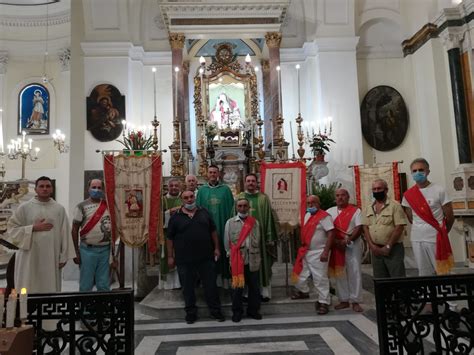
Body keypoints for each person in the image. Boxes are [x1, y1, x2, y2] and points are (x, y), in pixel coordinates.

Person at [7, 176, 75, 293]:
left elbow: (65, 233)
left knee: (49, 287)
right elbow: (12, 229)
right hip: (29, 256)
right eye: (41, 186)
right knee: (28, 285)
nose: (45, 189)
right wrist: (33, 228)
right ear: (36, 189)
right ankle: (26, 309)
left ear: (52, 189)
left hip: (51, 256)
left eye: (48, 186)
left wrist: (64, 256)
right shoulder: (24, 207)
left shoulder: (59, 209)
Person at [167, 190, 225, 324]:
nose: (189, 199)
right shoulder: (175, 217)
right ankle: (191, 313)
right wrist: (170, 256)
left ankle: (215, 311)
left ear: (195, 197)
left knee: (211, 285)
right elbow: (169, 238)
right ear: (182, 200)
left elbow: (213, 231)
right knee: (187, 287)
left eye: (191, 197)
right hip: (184, 259)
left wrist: (216, 248)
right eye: (186, 198)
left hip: (206, 257)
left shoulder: (204, 212)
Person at [402, 158, 455, 275]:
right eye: (414, 171)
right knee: (423, 271)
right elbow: (410, 216)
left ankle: (443, 293)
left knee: (442, 271)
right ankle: (426, 294)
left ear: (428, 171)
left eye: (421, 170)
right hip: (417, 237)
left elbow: (450, 217)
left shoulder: (439, 190)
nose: (417, 173)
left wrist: (443, 231)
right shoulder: (408, 195)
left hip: (435, 237)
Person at [291, 195, 335, 315]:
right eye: (309, 203)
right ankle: (303, 291)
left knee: (320, 278)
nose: (311, 205)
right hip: (306, 251)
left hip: (319, 251)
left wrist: (326, 251)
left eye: (313, 202)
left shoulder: (324, 216)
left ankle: (324, 302)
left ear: (319, 203)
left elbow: (331, 233)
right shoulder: (307, 215)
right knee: (300, 274)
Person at [237, 174, 278, 301]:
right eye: (248, 181)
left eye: (253, 181)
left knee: (262, 266)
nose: (250, 183)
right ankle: (246, 293)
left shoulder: (263, 199)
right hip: (243, 240)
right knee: (245, 266)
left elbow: (269, 218)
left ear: (256, 183)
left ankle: (263, 292)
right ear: (244, 182)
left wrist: (269, 237)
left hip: (260, 241)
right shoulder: (239, 198)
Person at [224, 198, 262, 322]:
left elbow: (258, 239)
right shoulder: (230, 222)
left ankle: (253, 310)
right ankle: (237, 312)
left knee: (254, 288)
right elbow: (226, 242)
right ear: (236, 207)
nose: (242, 208)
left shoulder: (255, 223)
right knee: (237, 288)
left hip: (253, 258)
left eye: (245, 206)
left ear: (248, 207)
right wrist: (232, 256)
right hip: (237, 260)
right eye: (240, 206)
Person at [196, 165, 234, 286]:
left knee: (223, 250)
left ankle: (225, 280)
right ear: (207, 174)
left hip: (223, 227)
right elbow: (197, 211)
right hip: (206, 229)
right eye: (210, 172)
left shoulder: (226, 190)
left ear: (218, 174)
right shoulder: (201, 191)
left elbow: (232, 210)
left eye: (215, 172)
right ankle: (209, 281)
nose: (212, 174)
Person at [72, 179, 112, 292]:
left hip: (105, 250)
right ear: (88, 189)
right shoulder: (81, 206)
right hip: (87, 251)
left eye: (99, 188)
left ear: (103, 190)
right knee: (86, 284)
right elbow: (74, 229)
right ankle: (85, 309)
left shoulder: (108, 206)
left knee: (104, 285)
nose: (96, 190)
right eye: (94, 187)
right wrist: (75, 252)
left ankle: (103, 308)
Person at [326, 188, 363, 313]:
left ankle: (356, 300)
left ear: (348, 197)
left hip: (352, 245)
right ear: (335, 198)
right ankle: (344, 300)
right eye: (337, 195)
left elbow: (359, 227)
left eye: (343, 195)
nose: (340, 198)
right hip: (337, 246)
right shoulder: (329, 212)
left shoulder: (356, 211)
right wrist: (337, 242)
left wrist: (347, 241)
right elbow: (327, 229)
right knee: (340, 272)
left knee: (354, 271)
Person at [362, 179, 407, 278]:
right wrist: (372, 246)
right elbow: (365, 227)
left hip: (393, 249)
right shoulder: (368, 207)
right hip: (375, 250)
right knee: (380, 280)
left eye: (379, 188)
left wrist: (388, 246)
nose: (377, 191)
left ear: (386, 190)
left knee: (397, 278)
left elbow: (399, 227)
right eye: (374, 189)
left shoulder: (395, 205)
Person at [159, 178, 182, 289]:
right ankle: (167, 284)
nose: (173, 188)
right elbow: (157, 217)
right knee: (167, 257)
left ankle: (179, 283)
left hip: (181, 235)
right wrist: (170, 212)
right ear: (167, 187)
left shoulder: (183, 198)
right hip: (166, 234)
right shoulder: (162, 200)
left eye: (176, 185)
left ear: (180, 187)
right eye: (171, 185)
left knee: (180, 257)